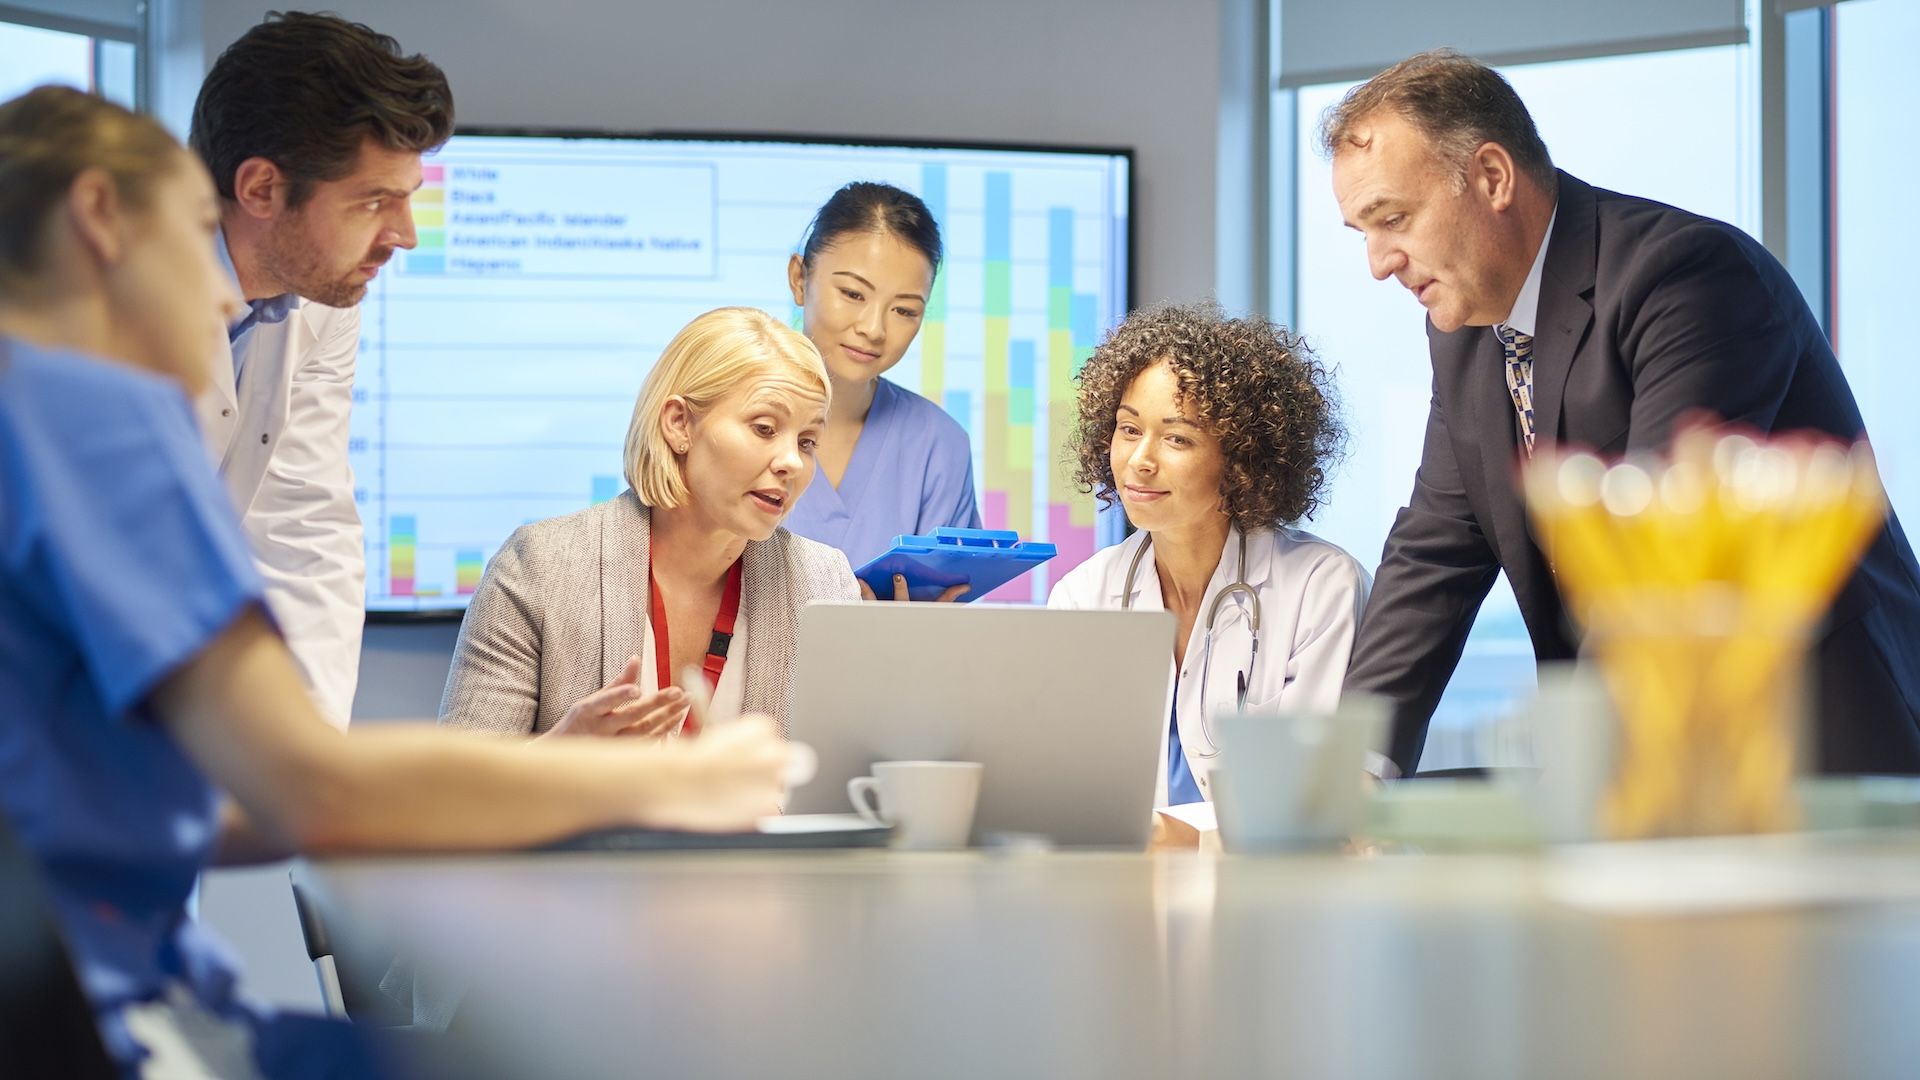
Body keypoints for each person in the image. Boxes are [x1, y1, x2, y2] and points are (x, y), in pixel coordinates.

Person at [0, 87, 790, 1075]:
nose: (219, 293)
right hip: (138, 1026)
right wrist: (654, 777)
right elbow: (314, 789)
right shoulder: (90, 413)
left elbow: (180, 813)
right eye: (200, 230)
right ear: (99, 217)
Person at [1327, 49, 1920, 776]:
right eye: (1364, 233)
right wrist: (1351, 775)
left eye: (1395, 219)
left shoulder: (1687, 276)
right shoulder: (1466, 335)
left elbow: (1656, 545)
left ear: (1491, 177)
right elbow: (1434, 552)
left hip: (1812, 744)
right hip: (1647, 759)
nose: (1379, 263)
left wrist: (1581, 762)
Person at [188, 11, 456, 725]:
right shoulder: (105, 305)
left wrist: (306, 757)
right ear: (261, 190)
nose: (404, 236)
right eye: (374, 201)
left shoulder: (321, 294)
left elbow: (302, 527)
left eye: (408, 199)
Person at [439, 306, 861, 740]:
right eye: (765, 428)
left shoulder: (823, 584)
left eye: (807, 441)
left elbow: (845, 783)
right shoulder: (540, 568)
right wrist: (561, 756)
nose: (792, 461)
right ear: (679, 424)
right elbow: (455, 795)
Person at [1048, 303, 1370, 806]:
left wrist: (1186, 840)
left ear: (1242, 455)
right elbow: (1067, 787)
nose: (1139, 460)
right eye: (1129, 429)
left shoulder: (1319, 587)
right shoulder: (1083, 595)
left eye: (1177, 438)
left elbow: (1312, 796)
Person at [781, 181, 981, 598]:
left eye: (904, 310)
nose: (873, 329)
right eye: (853, 294)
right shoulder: (726, 419)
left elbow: (943, 619)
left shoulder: (938, 446)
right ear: (800, 279)